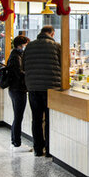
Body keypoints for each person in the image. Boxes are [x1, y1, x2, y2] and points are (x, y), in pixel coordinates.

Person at [22, 25, 61, 157]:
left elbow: (23, 66)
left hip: (33, 87)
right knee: (49, 119)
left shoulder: (29, 46)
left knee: (36, 119)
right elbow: (64, 65)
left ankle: (38, 149)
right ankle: (49, 150)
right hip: (51, 87)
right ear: (52, 33)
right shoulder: (56, 46)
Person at [7, 34, 30, 151]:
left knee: (17, 116)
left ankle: (14, 141)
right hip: (18, 89)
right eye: (25, 45)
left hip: (14, 89)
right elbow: (19, 73)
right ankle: (17, 143)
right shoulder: (16, 57)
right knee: (18, 116)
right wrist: (29, 73)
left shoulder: (15, 55)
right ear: (20, 45)